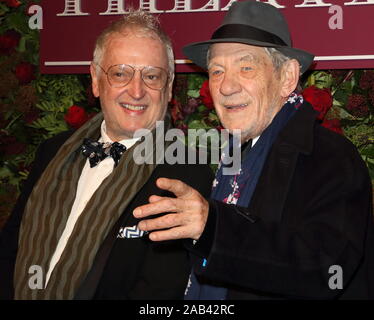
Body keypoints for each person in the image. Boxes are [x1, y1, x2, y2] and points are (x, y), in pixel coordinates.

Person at [133, 1, 374, 299]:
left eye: (246, 67)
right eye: (217, 71)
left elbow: (327, 272)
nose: (226, 86)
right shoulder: (232, 158)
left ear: (287, 77)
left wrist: (214, 230)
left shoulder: (331, 158)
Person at [0, 9, 213, 300]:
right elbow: (10, 249)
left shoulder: (187, 172)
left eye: (152, 76)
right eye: (120, 74)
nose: (136, 91)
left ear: (169, 88)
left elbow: (159, 292)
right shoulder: (53, 152)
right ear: (96, 80)